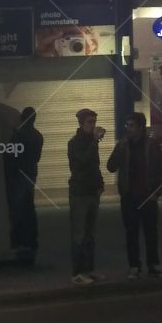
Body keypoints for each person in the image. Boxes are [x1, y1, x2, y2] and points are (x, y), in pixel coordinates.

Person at [107, 112, 162, 278]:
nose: (127, 128)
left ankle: (153, 264)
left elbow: (161, 169)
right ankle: (134, 266)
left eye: (131, 125)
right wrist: (120, 146)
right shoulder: (123, 145)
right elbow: (111, 166)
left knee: (151, 232)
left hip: (148, 195)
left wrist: (157, 192)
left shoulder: (151, 145)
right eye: (126, 125)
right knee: (131, 233)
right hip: (129, 196)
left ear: (140, 127)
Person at [67, 108, 106, 286]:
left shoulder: (91, 141)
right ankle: (77, 272)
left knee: (91, 234)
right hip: (79, 193)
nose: (93, 126)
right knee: (79, 235)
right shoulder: (74, 143)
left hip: (92, 192)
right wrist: (94, 142)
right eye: (90, 122)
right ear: (81, 124)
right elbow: (82, 162)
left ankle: (89, 269)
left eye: (94, 122)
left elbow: (94, 166)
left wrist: (100, 184)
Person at [3, 106, 43, 265]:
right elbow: (37, 157)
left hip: (17, 176)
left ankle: (19, 243)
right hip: (30, 174)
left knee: (17, 210)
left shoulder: (18, 135)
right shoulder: (38, 136)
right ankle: (31, 243)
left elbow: (10, 157)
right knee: (28, 207)